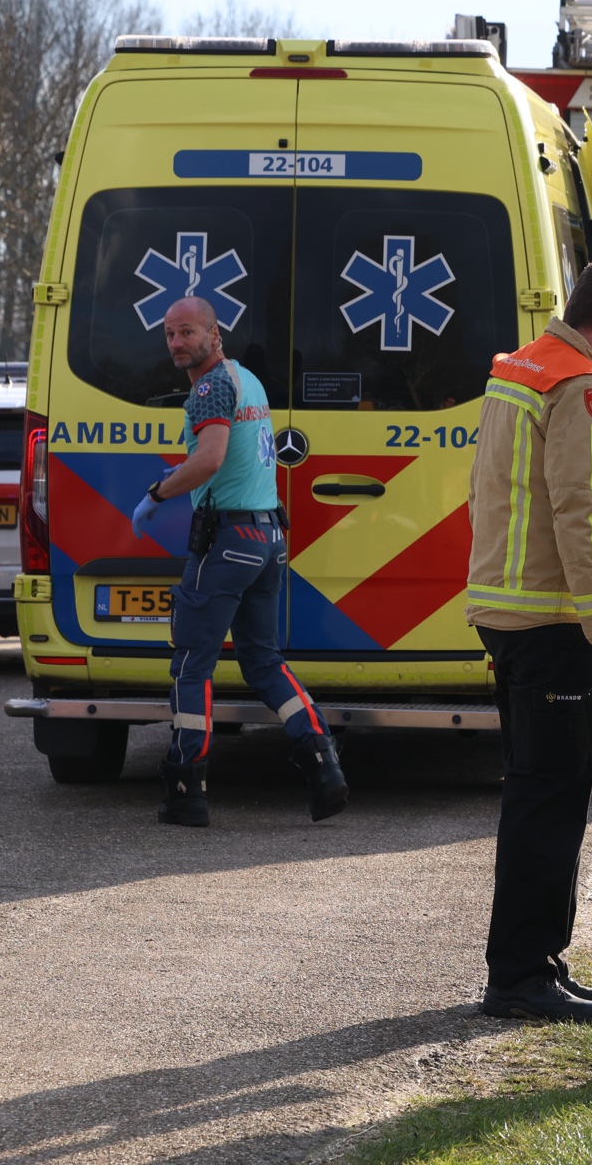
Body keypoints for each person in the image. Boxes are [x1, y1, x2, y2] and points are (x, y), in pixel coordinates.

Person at [465, 256, 592, 1025]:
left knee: (540, 794)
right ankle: (519, 976)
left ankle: (537, 963)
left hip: (512, 612)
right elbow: (583, 517)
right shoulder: (582, 387)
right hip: (552, 621)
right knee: (550, 801)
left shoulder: (523, 368)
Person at [128, 296, 347, 828]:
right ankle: (324, 765)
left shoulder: (210, 387)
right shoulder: (247, 379)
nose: (177, 342)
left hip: (226, 543)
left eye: (187, 332)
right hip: (267, 538)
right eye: (169, 334)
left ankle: (187, 789)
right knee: (262, 661)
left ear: (214, 333)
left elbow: (210, 459)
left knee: (192, 664)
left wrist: (156, 494)